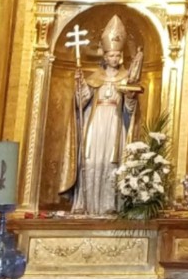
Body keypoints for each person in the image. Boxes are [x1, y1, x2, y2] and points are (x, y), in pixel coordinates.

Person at [61, 14, 142, 216]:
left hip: (115, 123)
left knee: (110, 162)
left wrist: (130, 96)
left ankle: (110, 205)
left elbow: (130, 109)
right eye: (111, 55)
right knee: (91, 160)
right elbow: (81, 102)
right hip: (96, 123)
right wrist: (80, 86)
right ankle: (86, 204)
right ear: (104, 57)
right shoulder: (94, 78)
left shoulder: (126, 78)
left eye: (117, 55)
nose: (114, 58)